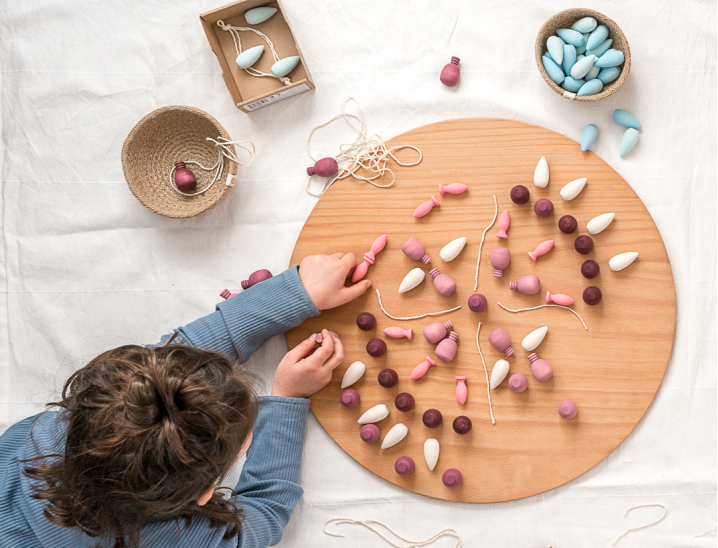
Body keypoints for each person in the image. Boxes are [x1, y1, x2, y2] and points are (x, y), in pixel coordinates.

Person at [0, 253, 371, 548]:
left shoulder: (58, 428)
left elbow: (169, 363)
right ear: (206, 494)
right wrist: (288, 399)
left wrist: (293, 295)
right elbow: (266, 513)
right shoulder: (186, 540)